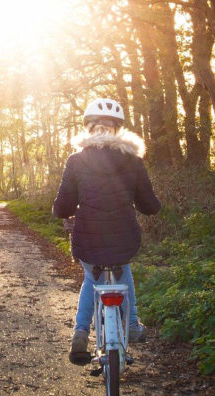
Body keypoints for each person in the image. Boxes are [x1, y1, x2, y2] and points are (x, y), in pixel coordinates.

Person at [52, 98, 161, 364]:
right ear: (118, 129)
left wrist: (63, 211)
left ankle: (80, 332)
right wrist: (148, 205)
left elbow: (63, 205)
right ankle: (132, 324)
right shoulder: (133, 160)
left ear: (89, 128)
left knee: (91, 276)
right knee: (123, 268)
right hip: (124, 234)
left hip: (87, 236)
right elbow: (149, 205)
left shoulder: (76, 160)